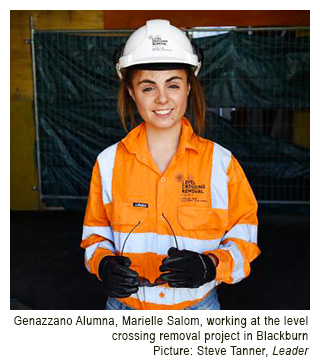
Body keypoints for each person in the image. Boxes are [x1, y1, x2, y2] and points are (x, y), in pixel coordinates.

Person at [81, 19, 260, 310]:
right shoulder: (108, 163)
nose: (162, 98)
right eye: (148, 87)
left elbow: (244, 238)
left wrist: (210, 265)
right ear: (130, 91)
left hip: (197, 310)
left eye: (173, 84)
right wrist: (103, 265)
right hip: (124, 309)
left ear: (189, 87)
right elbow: (95, 235)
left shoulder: (222, 164)